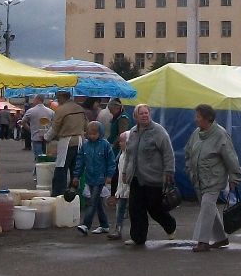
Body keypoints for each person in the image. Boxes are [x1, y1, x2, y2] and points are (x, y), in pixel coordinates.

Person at [185, 104, 241, 252]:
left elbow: (230, 156)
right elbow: (188, 151)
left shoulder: (220, 134)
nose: (196, 119)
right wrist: (189, 169)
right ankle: (221, 238)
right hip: (199, 179)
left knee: (206, 206)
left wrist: (235, 177)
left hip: (214, 179)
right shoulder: (196, 134)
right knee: (209, 207)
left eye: (198, 116)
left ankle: (202, 242)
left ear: (208, 118)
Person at [123, 104, 177, 246]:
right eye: (141, 113)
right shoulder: (133, 132)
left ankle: (170, 225)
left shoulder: (158, 131)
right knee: (135, 208)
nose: (145, 115)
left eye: (146, 113)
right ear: (136, 116)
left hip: (153, 178)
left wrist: (169, 171)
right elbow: (128, 155)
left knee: (154, 208)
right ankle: (138, 238)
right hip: (136, 177)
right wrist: (124, 171)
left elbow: (168, 152)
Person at [72, 120, 118, 235]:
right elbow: (80, 161)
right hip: (89, 178)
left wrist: (109, 176)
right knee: (97, 203)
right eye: (90, 134)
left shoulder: (105, 145)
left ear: (100, 133)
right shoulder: (85, 145)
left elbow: (111, 162)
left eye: (94, 133)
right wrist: (76, 176)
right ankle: (104, 225)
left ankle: (86, 225)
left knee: (92, 202)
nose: (92, 136)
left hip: (100, 178)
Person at [46, 90, 88, 196]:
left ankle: (59, 195)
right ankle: (74, 194)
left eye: (58, 98)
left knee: (61, 170)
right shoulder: (80, 108)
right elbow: (86, 125)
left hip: (66, 142)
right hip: (79, 141)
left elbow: (55, 128)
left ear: (61, 97)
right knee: (76, 170)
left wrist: (46, 137)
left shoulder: (61, 110)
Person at [107, 130, 130, 241]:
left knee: (136, 211)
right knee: (120, 209)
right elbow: (118, 175)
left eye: (123, 141)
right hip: (122, 190)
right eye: (120, 141)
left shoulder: (133, 157)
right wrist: (115, 192)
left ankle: (136, 231)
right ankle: (118, 229)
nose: (120, 143)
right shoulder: (121, 156)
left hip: (132, 189)